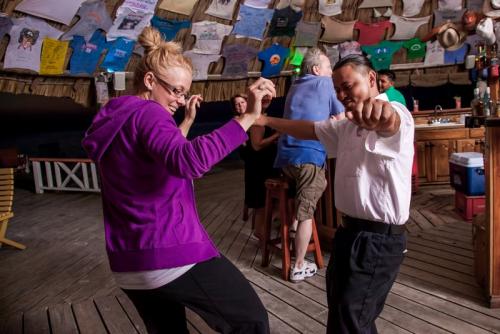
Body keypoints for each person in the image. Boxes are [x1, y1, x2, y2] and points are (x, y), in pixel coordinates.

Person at [82, 27, 275, 334]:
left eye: (184, 93)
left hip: (129, 262)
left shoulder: (116, 117)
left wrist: (185, 122)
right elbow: (190, 161)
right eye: (175, 91)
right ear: (149, 81)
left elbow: (164, 160)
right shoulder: (148, 113)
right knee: (250, 320)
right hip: (170, 252)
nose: (180, 100)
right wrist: (248, 116)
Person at [254, 54, 414, 333]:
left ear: (372, 79)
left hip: (378, 240)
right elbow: (309, 129)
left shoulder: (397, 113)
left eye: (347, 86)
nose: (341, 95)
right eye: (337, 89)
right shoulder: (347, 126)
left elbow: (390, 121)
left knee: (351, 321)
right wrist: (263, 118)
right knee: (342, 316)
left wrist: (381, 114)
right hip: (348, 234)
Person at [274, 47, 344, 283]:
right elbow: (342, 116)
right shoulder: (324, 84)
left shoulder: (295, 84)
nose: (331, 71)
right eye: (328, 67)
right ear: (317, 69)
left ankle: (293, 224)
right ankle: (299, 265)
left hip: (285, 159)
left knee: (318, 185)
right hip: (308, 157)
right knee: (308, 213)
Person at [230, 93, 280, 239]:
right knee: (260, 201)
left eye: (242, 102)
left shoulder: (253, 118)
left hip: (261, 162)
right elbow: (250, 148)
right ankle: (261, 231)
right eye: (237, 104)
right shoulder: (239, 122)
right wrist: (276, 135)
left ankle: (262, 226)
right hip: (255, 163)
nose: (240, 106)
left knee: (263, 199)